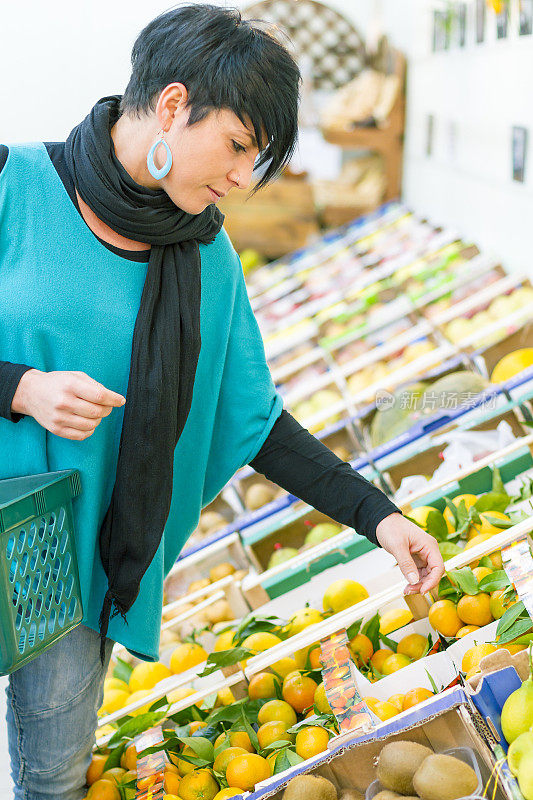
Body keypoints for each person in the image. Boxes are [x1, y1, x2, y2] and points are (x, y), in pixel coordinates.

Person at [0, 5, 444, 798]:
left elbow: (254, 421)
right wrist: (21, 388)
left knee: (53, 783)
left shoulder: (205, 256)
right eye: (238, 145)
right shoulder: (14, 186)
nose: (244, 178)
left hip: (67, 572)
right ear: (172, 105)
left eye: (257, 157)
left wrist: (379, 516)